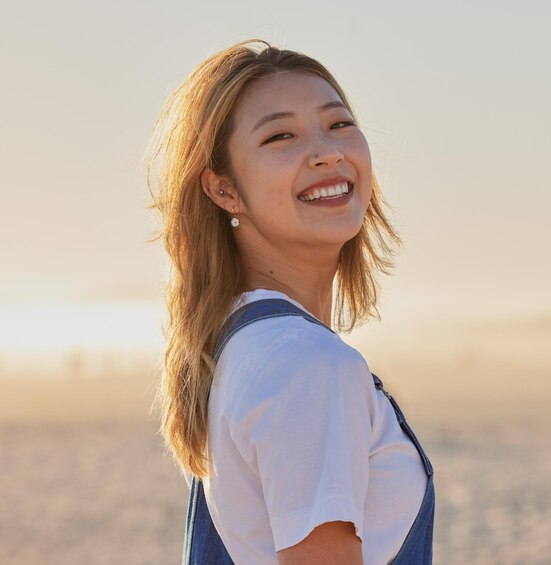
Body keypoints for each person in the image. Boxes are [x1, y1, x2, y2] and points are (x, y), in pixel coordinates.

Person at [145, 38, 435, 564]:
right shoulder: (305, 365)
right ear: (224, 190)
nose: (328, 151)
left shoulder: (244, 340)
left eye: (339, 124)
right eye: (281, 135)